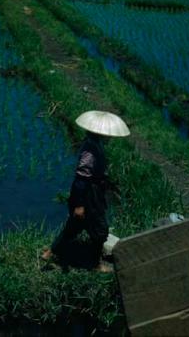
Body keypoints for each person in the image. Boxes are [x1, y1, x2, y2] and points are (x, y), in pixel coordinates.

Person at [42, 110, 130, 272]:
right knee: (101, 231)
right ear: (100, 134)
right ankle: (95, 264)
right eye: (108, 135)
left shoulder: (93, 145)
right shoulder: (90, 151)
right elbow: (81, 180)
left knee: (74, 226)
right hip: (89, 195)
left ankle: (51, 252)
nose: (110, 137)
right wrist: (80, 205)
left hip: (91, 192)